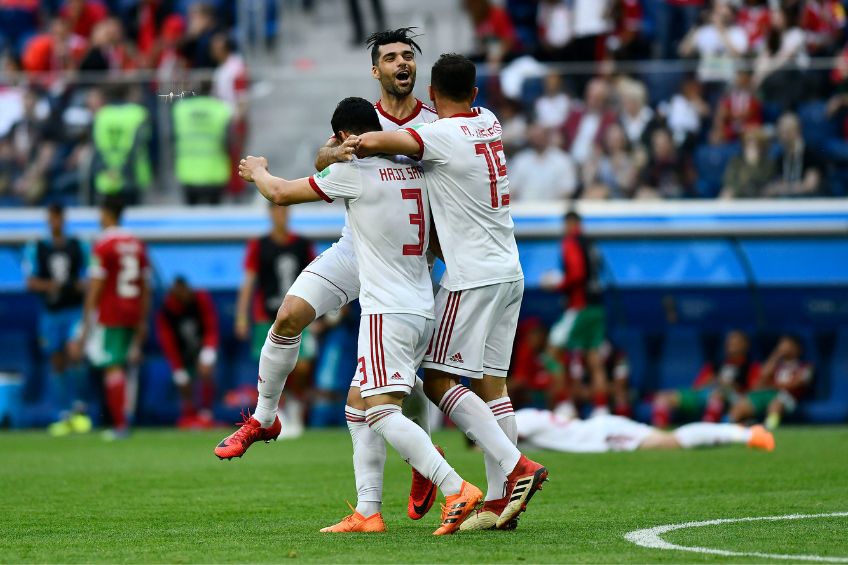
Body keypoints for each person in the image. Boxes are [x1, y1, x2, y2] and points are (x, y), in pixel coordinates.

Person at [213, 29, 442, 529]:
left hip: (406, 266)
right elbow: (324, 156)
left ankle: (421, 463)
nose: (400, 63)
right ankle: (264, 416)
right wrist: (332, 155)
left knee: (390, 386)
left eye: (407, 56)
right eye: (390, 57)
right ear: (376, 70)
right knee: (288, 314)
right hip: (355, 249)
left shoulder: (434, 123)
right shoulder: (364, 117)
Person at [239, 96, 483, 536]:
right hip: (421, 300)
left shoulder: (353, 172)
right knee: (360, 406)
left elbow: (279, 192)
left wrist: (256, 169)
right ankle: (369, 512)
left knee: (380, 411)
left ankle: (452, 484)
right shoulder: (420, 166)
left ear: (343, 138)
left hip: (385, 306)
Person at [353, 53, 549, 531]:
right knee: (492, 386)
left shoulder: (439, 136)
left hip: (472, 276)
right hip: (510, 271)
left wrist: (350, 142)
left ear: (433, 96)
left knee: (438, 380)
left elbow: (380, 139)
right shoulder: (490, 122)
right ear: (476, 95)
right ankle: (501, 504)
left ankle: (515, 464)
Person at [70, 196, 151, 440]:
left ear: (106, 214)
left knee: (111, 367)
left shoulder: (103, 245)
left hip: (111, 313)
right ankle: (122, 418)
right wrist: (143, 319)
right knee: (125, 367)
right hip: (133, 311)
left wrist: (85, 324)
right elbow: (146, 286)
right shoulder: (137, 244)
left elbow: (96, 286)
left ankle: (120, 424)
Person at [234, 204, 315, 438]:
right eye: (277, 211)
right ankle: (280, 414)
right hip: (266, 317)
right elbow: (248, 282)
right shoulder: (259, 245)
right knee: (272, 370)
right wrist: (241, 315)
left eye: (284, 211)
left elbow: (316, 276)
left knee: (302, 366)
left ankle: (295, 407)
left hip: (298, 315)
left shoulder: (302, 244)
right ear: (270, 214)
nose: (281, 215)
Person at [22, 204, 91, 436]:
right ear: (48, 221)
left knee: (75, 352)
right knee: (57, 360)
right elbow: (30, 282)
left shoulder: (78, 245)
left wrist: (80, 286)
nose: (55, 223)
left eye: (58, 218)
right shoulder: (37, 247)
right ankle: (62, 413)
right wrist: (52, 285)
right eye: (52, 219)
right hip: (51, 314)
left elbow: (90, 276)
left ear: (64, 219)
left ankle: (80, 408)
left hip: (74, 311)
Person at [545, 211, 610, 417]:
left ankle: (565, 405)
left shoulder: (571, 242)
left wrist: (558, 284)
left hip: (579, 306)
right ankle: (601, 409)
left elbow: (577, 274)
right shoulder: (591, 243)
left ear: (570, 223)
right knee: (593, 358)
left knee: (552, 352)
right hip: (597, 306)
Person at [515, 408, 775, 453]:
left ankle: (745, 434)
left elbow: (501, 437)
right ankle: (741, 432)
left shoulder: (518, 420)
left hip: (605, 435)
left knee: (672, 442)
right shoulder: (526, 415)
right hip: (601, 430)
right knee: (671, 441)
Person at [652, 330, 759, 427]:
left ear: (745, 345)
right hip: (705, 395)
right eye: (729, 342)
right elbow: (697, 387)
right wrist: (713, 381)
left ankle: (707, 429)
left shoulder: (751, 367)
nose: (731, 345)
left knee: (716, 397)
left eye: (736, 343)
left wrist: (730, 386)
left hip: (731, 399)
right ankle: (658, 431)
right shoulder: (714, 365)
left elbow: (753, 392)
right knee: (662, 397)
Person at [156, 276, 219, 429]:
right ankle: (189, 414)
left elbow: (211, 325)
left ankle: (206, 414)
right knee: (184, 382)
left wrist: (209, 350)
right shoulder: (167, 308)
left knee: (206, 373)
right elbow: (167, 341)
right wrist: (177, 367)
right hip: (181, 351)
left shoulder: (200, 298)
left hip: (202, 346)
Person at [729, 335, 813, 430]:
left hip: (787, 396)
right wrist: (777, 354)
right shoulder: (777, 365)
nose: (784, 347)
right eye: (781, 345)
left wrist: (772, 386)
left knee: (776, 404)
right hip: (768, 393)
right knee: (741, 406)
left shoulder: (805, 366)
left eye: (788, 345)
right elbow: (763, 376)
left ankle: (769, 428)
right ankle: (734, 428)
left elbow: (797, 383)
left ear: (797, 348)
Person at [172, 80, 233, 205]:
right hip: (215, 172)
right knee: (215, 219)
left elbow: (172, 138)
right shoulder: (221, 108)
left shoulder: (181, 108)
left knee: (191, 219)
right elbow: (229, 141)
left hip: (187, 171)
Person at [90, 83, 152, 205]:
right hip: (132, 177)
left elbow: (97, 148)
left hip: (106, 177)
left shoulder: (101, 114)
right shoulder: (138, 113)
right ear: (128, 93)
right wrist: (122, 171)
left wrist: (109, 169)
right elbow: (138, 147)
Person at [508, 123, 577, 202]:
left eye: (541, 136)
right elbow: (511, 189)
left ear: (548, 137)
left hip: (553, 210)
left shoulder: (563, 160)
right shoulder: (520, 160)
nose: (538, 140)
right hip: (524, 210)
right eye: (535, 137)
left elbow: (568, 189)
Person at [765, 113, 824, 197]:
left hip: (809, 203)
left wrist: (785, 188)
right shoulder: (780, 157)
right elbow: (777, 184)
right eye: (781, 132)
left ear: (797, 130)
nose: (783, 136)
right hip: (786, 203)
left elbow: (810, 186)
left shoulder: (811, 154)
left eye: (787, 131)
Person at [720, 127, 776, 199]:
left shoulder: (768, 163)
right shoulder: (736, 162)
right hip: (739, 194)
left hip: (760, 196)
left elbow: (762, 183)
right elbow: (729, 181)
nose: (751, 147)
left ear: (762, 147)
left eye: (756, 145)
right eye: (748, 144)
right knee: (726, 193)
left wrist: (752, 164)